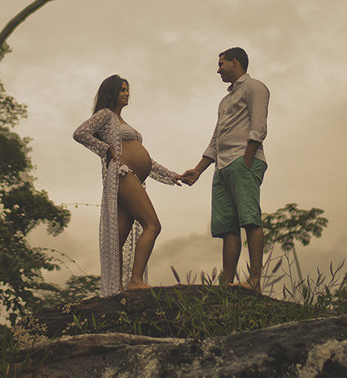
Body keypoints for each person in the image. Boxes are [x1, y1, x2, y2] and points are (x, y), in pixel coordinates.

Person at [73, 75, 187, 296]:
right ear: (112, 92)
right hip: (123, 175)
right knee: (153, 225)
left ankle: (116, 288)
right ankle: (135, 280)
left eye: (128, 90)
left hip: (134, 178)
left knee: (120, 235)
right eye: (122, 90)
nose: (127, 94)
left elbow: (149, 163)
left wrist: (173, 176)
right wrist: (104, 149)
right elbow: (80, 133)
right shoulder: (105, 115)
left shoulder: (122, 122)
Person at [179, 47, 270, 290]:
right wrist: (198, 170)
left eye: (221, 64)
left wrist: (247, 157)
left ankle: (254, 280)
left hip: (243, 161)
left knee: (250, 219)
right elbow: (216, 138)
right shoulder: (225, 100)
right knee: (227, 227)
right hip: (222, 166)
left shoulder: (255, 87)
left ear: (235, 62)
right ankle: (227, 284)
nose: (218, 69)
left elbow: (259, 125)